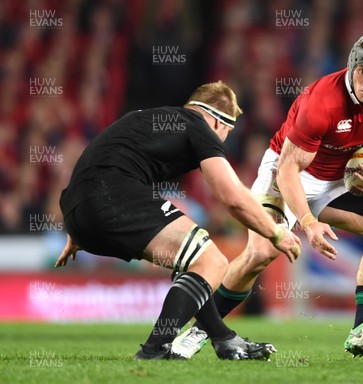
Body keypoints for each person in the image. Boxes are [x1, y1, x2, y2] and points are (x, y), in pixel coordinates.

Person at [173, 29, 363, 358]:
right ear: (350, 67)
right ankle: (198, 331)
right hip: (288, 173)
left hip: (337, 181)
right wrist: (307, 222)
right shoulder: (323, 101)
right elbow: (288, 170)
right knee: (260, 254)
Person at [54, 81, 302, 360]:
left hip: (76, 210)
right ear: (219, 122)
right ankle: (154, 350)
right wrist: (275, 232)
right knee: (212, 261)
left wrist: (77, 230)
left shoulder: (140, 117)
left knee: (192, 262)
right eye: (227, 133)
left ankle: (223, 338)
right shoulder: (199, 125)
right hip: (113, 195)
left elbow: (96, 156)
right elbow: (231, 195)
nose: (223, 140)